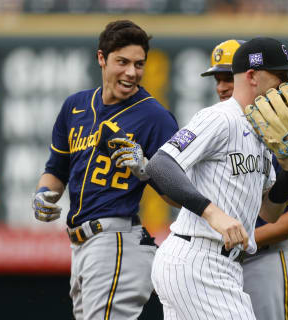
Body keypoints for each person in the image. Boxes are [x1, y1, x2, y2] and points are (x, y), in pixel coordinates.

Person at [145, 37, 288, 319]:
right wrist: (212, 213)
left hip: (221, 266)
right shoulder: (220, 117)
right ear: (252, 76)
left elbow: (271, 212)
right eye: (279, 75)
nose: (285, 84)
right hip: (198, 260)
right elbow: (160, 164)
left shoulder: (263, 131)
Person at [31, 20, 179, 320]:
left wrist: (146, 168)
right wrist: (43, 194)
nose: (131, 72)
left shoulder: (155, 117)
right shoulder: (76, 106)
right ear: (102, 58)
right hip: (81, 247)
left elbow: (181, 196)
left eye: (139, 64)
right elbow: (56, 170)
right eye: (122, 62)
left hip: (116, 241)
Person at [202, 39, 288, 319]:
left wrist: (247, 240)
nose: (222, 86)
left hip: (262, 260)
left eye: (228, 77)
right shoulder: (219, 128)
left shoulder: (281, 133)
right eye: (217, 78)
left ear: (249, 77)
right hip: (218, 264)